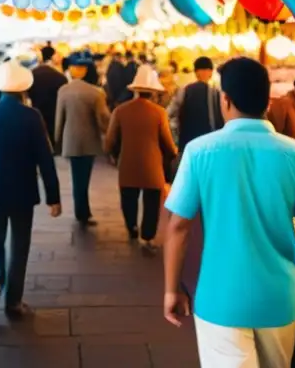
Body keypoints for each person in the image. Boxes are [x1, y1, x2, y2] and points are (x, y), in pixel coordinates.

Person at [163, 58, 295, 368]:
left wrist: (171, 289)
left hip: (220, 297)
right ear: (267, 101)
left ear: (225, 100)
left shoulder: (199, 151)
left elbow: (178, 227)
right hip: (279, 298)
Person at [0, 61, 61, 320]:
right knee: (20, 245)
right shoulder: (33, 117)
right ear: (24, 90)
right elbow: (45, 158)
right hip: (23, 193)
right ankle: (14, 302)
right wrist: (53, 196)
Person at [105, 65, 178, 251]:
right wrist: (171, 154)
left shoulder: (120, 111)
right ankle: (147, 236)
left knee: (128, 198)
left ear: (135, 90)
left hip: (127, 164)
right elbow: (168, 144)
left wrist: (114, 155)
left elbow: (109, 141)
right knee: (152, 202)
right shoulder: (159, 112)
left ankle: (132, 228)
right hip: (152, 167)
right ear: (153, 92)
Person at [55, 57, 110, 227]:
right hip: (89, 141)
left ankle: (82, 211)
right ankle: (82, 213)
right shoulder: (96, 93)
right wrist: (108, 134)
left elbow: (59, 118)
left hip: (70, 140)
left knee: (76, 177)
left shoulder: (63, 91)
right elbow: (103, 119)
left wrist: (57, 140)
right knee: (83, 178)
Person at [167, 57, 222, 153]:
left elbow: (170, 113)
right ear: (211, 72)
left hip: (188, 143)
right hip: (210, 143)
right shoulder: (216, 93)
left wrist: (176, 137)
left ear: (196, 72)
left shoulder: (184, 90)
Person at [29, 45, 68, 141]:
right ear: (52, 56)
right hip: (54, 115)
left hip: (36, 114)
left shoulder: (31, 75)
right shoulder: (60, 77)